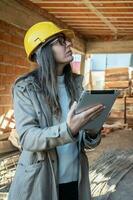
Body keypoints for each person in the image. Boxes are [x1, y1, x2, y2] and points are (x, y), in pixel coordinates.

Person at [8, 22, 104, 200]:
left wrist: (92, 130)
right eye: (60, 41)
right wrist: (68, 130)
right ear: (42, 51)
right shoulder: (25, 88)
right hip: (40, 183)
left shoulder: (76, 86)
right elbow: (27, 138)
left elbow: (85, 143)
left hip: (76, 179)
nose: (69, 44)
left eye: (66, 40)